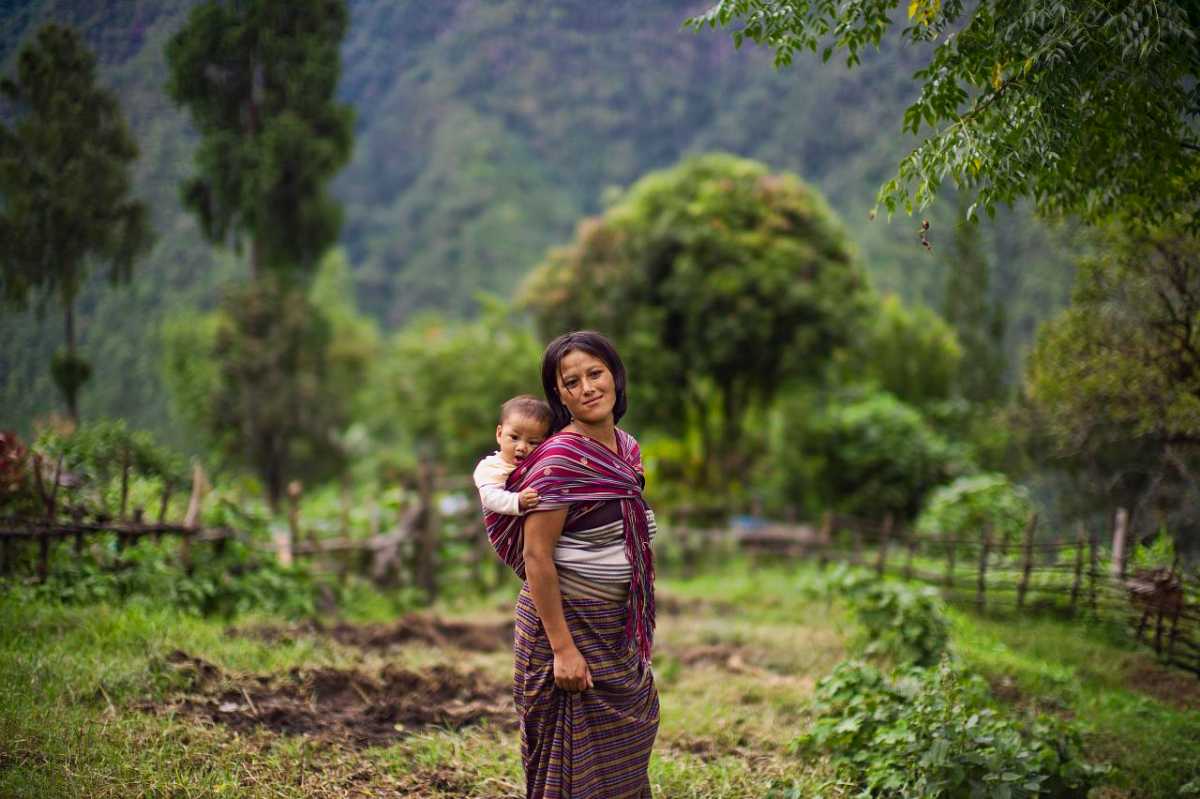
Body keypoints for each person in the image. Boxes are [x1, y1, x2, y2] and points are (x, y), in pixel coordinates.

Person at [483, 331, 659, 799]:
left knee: (627, 750)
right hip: (564, 628)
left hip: (613, 627)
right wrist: (563, 650)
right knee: (569, 770)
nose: (587, 388)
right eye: (572, 381)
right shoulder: (560, 459)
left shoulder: (627, 448)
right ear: (559, 394)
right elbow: (536, 555)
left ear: (615, 377)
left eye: (595, 374)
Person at [473, 395, 552, 516]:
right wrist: (517, 500)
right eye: (514, 438)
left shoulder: (541, 465)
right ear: (499, 434)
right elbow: (490, 497)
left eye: (533, 442)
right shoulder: (491, 467)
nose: (521, 447)